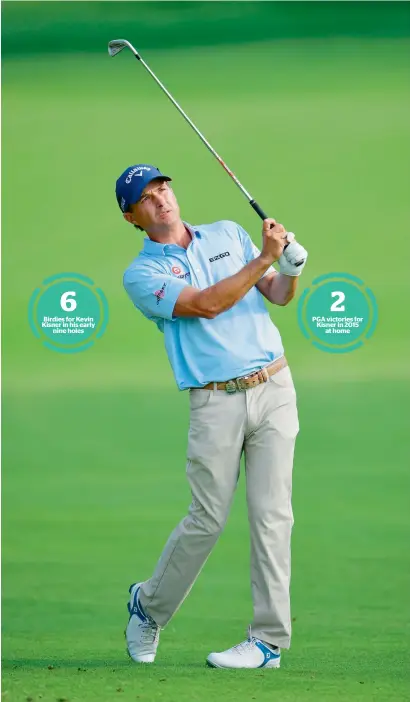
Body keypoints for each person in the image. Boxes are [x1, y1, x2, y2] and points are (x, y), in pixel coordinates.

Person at [116, 163, 308, 670]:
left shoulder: (226, 233)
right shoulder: (142, 275)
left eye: (162, 187)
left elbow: (277, 296)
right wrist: (264, 256)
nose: (160, 198)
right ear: (132, 216)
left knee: (273, 518)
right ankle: (149, 607)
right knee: (207, 520)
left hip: (275, 388)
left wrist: (288, 267)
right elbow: (205, 305)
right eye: (146, 196)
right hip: (214, 401)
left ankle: (268, 642)